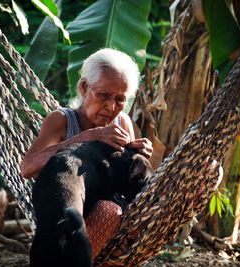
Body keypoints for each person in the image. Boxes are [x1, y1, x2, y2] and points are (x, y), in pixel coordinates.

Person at [20, 48, 153, 257]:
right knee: (107, 213)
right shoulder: (62, 120)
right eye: (103, 95)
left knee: (113, 211)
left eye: (120, 99)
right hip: (64, 215)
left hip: (113, 218)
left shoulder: (122, 122)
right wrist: (86, 137)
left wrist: (138, 155)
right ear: (84, 87)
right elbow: (27, 168)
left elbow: (126, 180)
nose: (111, 106)